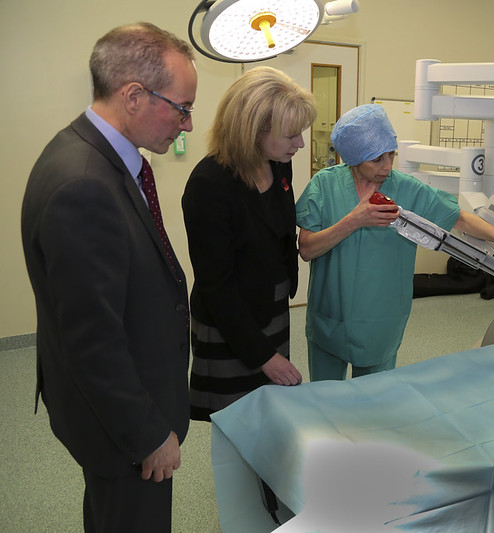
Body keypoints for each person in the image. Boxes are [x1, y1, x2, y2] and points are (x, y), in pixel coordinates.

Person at [20, 23, 196, 532]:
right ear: (134, 96)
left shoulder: (93, 153)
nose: (188, 124)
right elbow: (92, 341)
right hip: (122, 426)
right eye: (182, 107)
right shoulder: (84, 184)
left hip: (118, 403)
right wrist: (147, 435)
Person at [296, 104, 494, 382]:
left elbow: (459, 218)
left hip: (380, 319)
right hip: (329, 316)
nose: (387, 166)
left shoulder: (406, 188)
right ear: (353, 158)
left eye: (391, 154)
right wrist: (354, 220)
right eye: (377, 160)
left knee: (374, 397)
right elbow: (307, 249)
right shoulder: (324, 186)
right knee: (324, 396)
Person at [181, 67, 315, 523]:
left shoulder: (278, 165)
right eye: (291, 135)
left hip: (270, 304)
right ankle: (243, 510)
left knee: (270, 409)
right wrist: (263, 356)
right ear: (254, 129)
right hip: (229, 319)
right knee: (237, 420)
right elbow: (216, 285)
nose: (300, 144)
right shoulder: (208, 185)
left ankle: (272, 492)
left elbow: (280, 230)